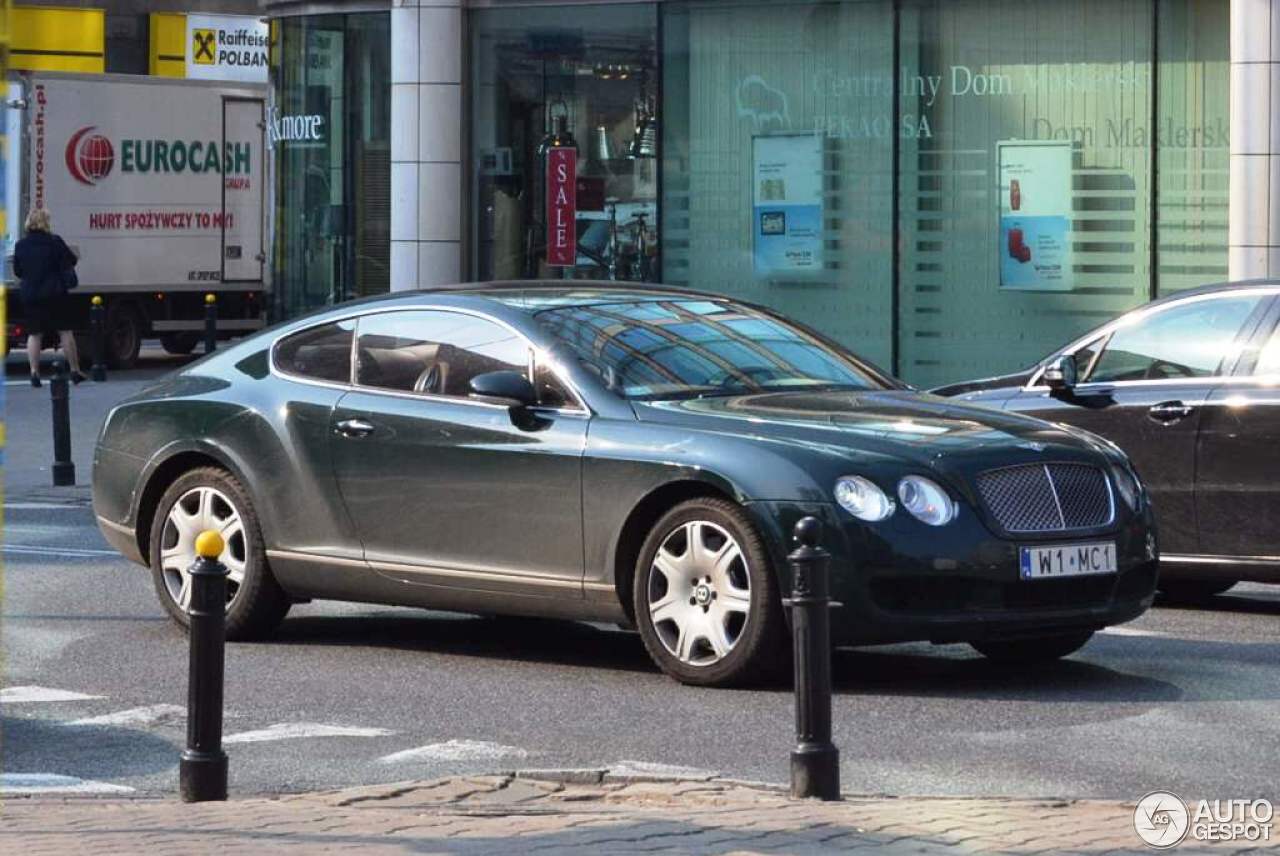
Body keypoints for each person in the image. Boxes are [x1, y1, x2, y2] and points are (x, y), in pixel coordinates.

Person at [14, 207, 85, 386]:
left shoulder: (20, 245)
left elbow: (18, 271)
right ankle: (75, 371)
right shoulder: (55, 242)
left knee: (34, 334)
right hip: (55, 294)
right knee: (65, 332)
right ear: (46, 222)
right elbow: (71, 260)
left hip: (31, 296)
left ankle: (34, 373)